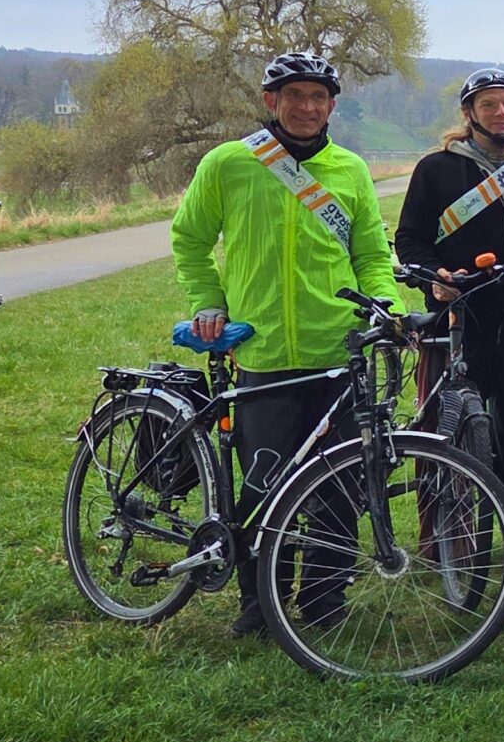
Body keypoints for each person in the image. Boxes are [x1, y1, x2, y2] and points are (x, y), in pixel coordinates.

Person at [170, 52, 399, 640]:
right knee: (262, 485)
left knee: (341, 485)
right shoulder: (229, 163)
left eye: (318, 96)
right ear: (271, 101)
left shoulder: (349, 169)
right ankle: (260, 602)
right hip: (264, 353)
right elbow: (190, 239)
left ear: (332, 106)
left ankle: (324, 598)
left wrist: (384, 306)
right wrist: (208, 302)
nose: (306, 107)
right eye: (294, 95)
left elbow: (371, 254)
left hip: (338, 352)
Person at [394, 68, 504, 566]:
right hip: (457, 325)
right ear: (469, 112)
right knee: (444, 434)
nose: (501, 113)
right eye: (490, 104)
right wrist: (433, 277)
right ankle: (448, 541)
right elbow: (411, 240)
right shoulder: (437, 169)